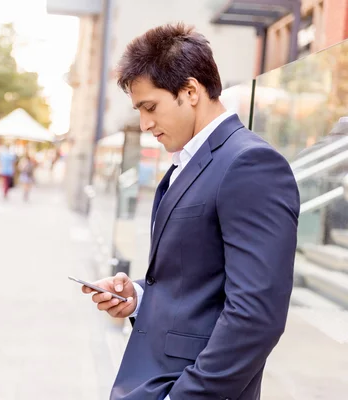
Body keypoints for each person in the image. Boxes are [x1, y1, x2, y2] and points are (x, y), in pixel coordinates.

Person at [80, 23, 300, 400]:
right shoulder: (188, 161)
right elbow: (196, 283)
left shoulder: (251, 164)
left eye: (150, 107)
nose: (145, 124)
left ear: (191, 91)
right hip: (152, 379)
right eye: (139, 110)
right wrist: (138, 297)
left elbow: (256, 317)